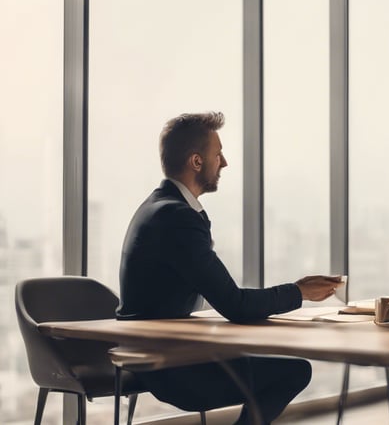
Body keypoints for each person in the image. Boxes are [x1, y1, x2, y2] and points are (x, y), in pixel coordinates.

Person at [116, 111, 342, 425]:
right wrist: (300, 291)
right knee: (295, 370)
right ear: (196, 162)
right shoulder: (176, 218)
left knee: (278, 365)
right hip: (173, 367)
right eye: (218, 154)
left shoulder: (156, 207)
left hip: (157, 355)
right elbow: (235, 305)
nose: (224, 163)